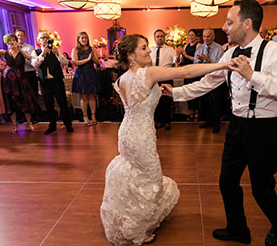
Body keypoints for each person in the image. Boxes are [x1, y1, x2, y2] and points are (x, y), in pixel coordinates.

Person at [162, 0, 277, 245]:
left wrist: (252, 75)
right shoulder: (229, 53)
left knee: (262, 188)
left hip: (265, 129)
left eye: (229, 22)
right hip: (236, 126)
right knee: (227, 182)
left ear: (247, 23)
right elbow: (208, 83)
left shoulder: (274, 51)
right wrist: (175, 94)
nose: (224, 27)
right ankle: (238, 230)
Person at [100, 34, 239, 245]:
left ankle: (129, 219)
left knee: (135, 176)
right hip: (141, 136)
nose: (149, 51)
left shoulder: (122, 79)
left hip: (126, 132)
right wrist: (224, 65)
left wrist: (161, 92)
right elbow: (186, 71)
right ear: (131, 55)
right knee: (150, 180)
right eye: (144, 48)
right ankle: (138, 230)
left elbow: (138, 100)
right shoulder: (149, 73)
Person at [0, 34, 40, 134]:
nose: (12, 42)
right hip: (9, 79)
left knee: (26, 100)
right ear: (7, 43)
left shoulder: (21, 51)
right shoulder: (4, 52)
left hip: (21, 78)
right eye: (10, 41)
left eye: (14, 40)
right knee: (11, 102)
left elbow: (29, 57)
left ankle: (29, 123)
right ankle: (14, 125)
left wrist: (20, 49)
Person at [32, 31, 74, 134]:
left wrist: (58, 54)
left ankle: (68, 124)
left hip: (57, 81)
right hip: (45, 82)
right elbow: (35, 65)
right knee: (49, 105)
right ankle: (52, 125)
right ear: (39, 40)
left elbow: (65, 63)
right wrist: (43, 53)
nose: (45, 39)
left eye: (47, 37)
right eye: (43, 38)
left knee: (62, 103)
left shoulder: (56, 51)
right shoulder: (36, 52)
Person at [194, 28, 225, 133]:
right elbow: (195, 63)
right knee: (204, 102)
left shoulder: (219, 48)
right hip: (203, 79)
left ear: (213, 37)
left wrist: (208, 60)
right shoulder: (200, 48)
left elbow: (221, 65)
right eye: (204, 36)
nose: (205, 38)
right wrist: (199, 60)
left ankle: (216, 124)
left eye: (208, 36)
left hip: (215, 79)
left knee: (216, 103)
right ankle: (208, 121)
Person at [71, 31, 101, 126]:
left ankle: (93, 115)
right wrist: (87, 59)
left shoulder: (92, 49)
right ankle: (85, 116)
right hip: (81, 74)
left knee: (92, 96)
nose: (84, 39)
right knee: (84, 97)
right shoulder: (75, 49)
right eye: (82, 38)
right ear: (79, 39)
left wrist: (93, 58)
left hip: (91, 73)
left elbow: (97, 62)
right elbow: (75, 62)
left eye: (86, 38)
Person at [150, 29, 177, 130]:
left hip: (166, 76)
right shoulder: (150, 49)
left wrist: (178, 59)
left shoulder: (170, 49)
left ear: (164, 37)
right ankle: (158, 120)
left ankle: (167, 121)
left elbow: (176, 61)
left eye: (162, 36)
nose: (160, 38)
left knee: (166, 100)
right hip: (154, 77)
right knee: (155, 100)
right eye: (158, 36)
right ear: (154, 38)